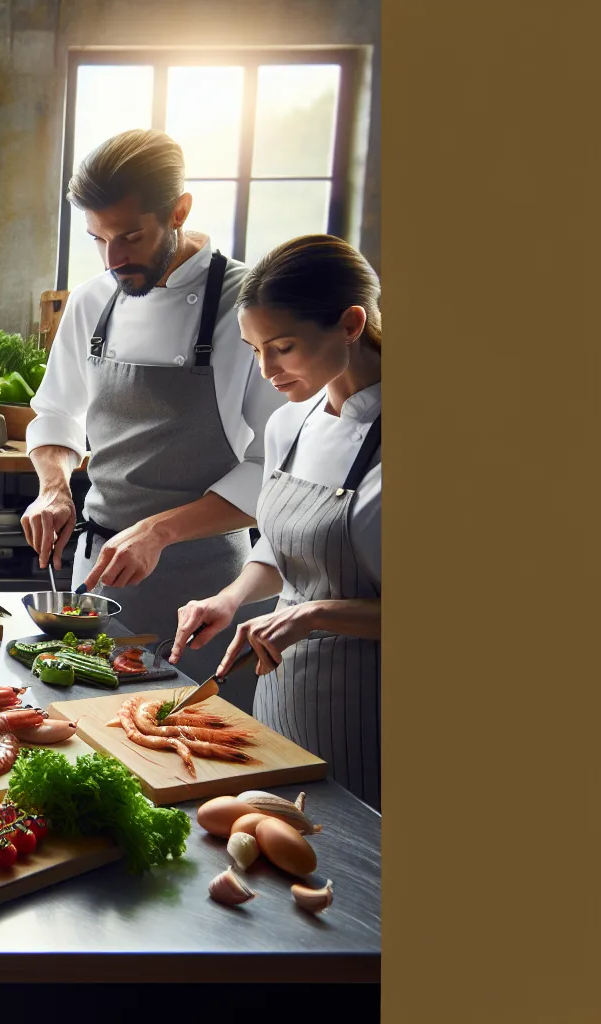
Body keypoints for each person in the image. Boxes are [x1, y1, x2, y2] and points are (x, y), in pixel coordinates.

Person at [21, 130, 285, 700]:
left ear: (180, 211)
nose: (114, 259)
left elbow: (274, 468)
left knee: (195, 751)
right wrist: (54, 488)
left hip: (205, 587)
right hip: (94, 574)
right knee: (86, 730)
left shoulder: (249, 306)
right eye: (98, 239)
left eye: (131, 236)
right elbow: (55, 413)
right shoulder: (94, 299)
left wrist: (159, 530)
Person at [173, 235, 382, 807]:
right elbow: (283, 546)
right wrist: (231, 597)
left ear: (350, 323)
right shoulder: (290, 425)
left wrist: (313, 614)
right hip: (283, 691)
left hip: (374, 708)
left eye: (283, 346)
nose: (267, 370)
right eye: (254, 348)